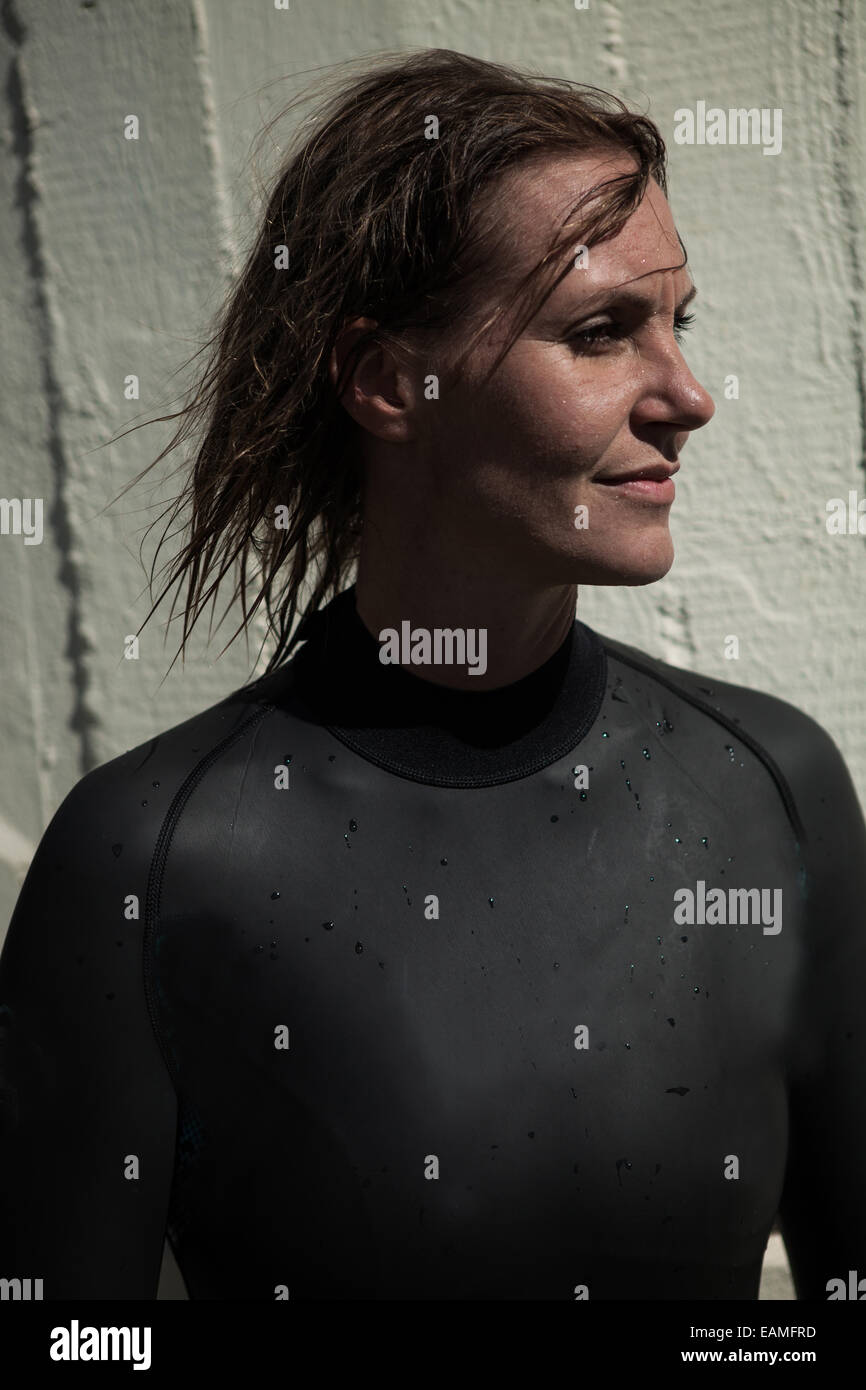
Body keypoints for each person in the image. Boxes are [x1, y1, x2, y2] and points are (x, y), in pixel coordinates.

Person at [1, 48, 864, 1302]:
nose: (687, 395)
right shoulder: (147, 860)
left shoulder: (772, 793)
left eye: (679, 324)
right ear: (384, 382)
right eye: (599, 332)